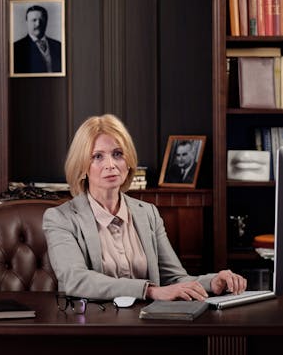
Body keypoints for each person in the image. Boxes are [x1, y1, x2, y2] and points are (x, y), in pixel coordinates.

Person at [43, 114, 247, 301]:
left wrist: (213, 282)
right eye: (98, 156)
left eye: (117, 154)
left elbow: (174, 278)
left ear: (128, 161)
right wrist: (149, 290)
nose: (110, 164)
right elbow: (76, 280)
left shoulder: (147, 213)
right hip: (92, 325)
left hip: (148, 322)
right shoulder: (60, 218)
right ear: (82, 167)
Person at [13, 5, 62, 73]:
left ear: (46, 21)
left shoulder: (59, 46)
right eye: (34, 20)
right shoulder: (16, 48)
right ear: (27, 22)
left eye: (41, 20)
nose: (38, 24)